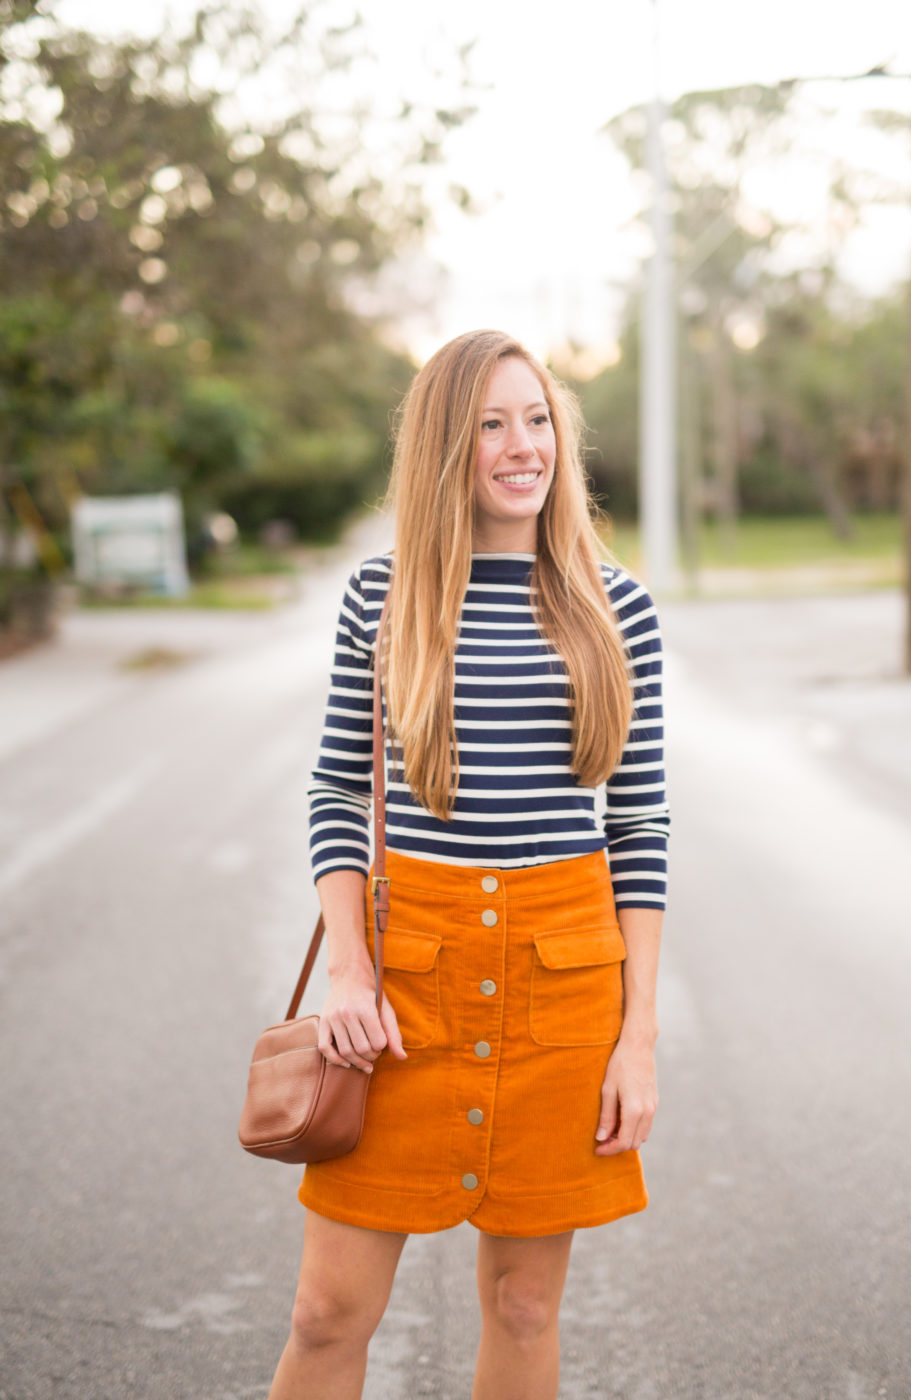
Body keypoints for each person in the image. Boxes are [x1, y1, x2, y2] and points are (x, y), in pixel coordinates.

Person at [267, 329, 669, 1400]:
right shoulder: (383, 594)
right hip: (404, 988)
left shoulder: (612, 602)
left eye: (536, 418)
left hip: (562, 984)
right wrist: (349, 968)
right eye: (490, 423)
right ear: (449, 445)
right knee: (325, 1312)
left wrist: (638, 1036)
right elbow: (334, 792)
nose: (519, 444)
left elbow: (640, 828)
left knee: (524, 1305)